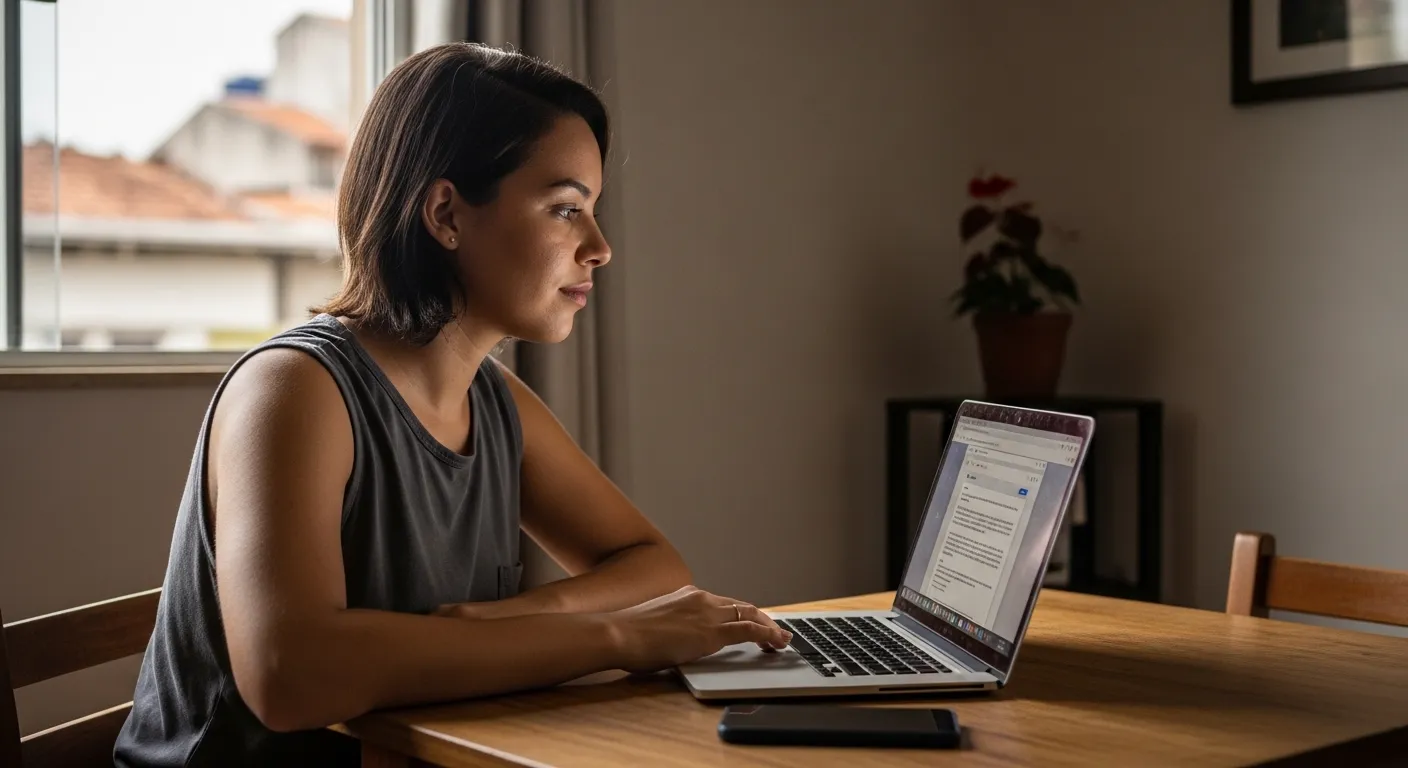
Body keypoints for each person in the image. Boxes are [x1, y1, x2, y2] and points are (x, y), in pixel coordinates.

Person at [114, 42, 791, 767]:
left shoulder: (496, 402)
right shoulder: (294, 388)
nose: (599, 247)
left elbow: (652, 564)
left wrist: (516, 617)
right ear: (446, 214)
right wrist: (619, 636)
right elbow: (289, 678)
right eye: (566, 208)